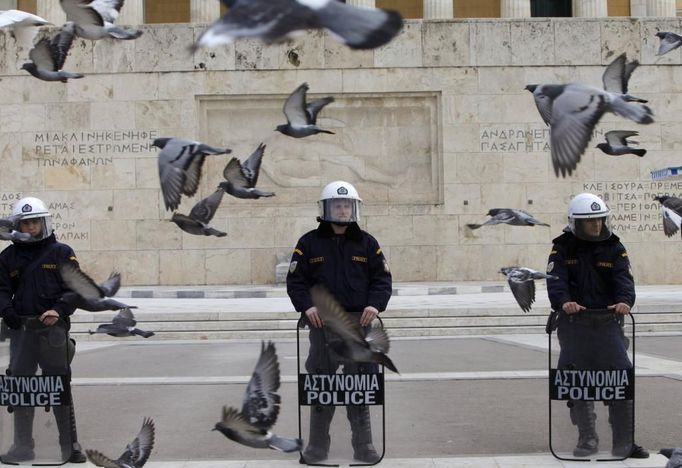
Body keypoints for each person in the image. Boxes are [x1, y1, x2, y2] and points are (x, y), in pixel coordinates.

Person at [287, 181, 392, 464]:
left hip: (360, 326)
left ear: (353, 208)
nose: (343, 209)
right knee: (322, 386)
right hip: (322, 328)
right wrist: (306, 306)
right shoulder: (308, 243)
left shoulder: (368, 243)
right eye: (337, 205)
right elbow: (296, 282)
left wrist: (374, 304)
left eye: (347, 205)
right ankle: (317, 448)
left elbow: (382, 280)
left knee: (359, 386)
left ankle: (364, 447)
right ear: (326, 209)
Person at [546, 193, 648, 459]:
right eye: (590, 221)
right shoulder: (562, 247)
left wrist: (625, 301)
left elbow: (624, 279)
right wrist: (564, 302)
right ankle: (587, 438)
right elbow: (555, 280)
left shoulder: (615, 247)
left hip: (607, 323)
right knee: (576, 379)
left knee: (620, 379)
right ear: (577, 223)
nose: (597, 225)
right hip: (575, 324)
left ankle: (624, 442)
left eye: (600, 219)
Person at [0, 197, 86, 463]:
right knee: (22, 387)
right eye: (25, 223)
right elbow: (1, 290)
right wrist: (8, 313)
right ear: (18, 225)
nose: (31, 227)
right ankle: (23, 446)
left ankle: (69, 446)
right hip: (21, 331)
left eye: (35, 221)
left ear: (44, 222)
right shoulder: (8, 257)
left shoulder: (61, 253)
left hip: (53, 332)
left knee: (59, 387)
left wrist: (58, 310)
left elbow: (75, 289)